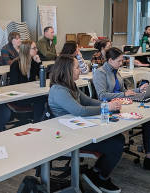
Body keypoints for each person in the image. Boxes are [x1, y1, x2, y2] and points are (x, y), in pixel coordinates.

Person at [48, 56, 124, 193]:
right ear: (67, 70)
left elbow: (88, 101)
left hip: (78, 129)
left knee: (118, 138)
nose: (80, 70)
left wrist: (107, 104)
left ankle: (95, 172)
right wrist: (106, 108)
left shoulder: (70, 85)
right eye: (77, 67)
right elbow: (80, 110)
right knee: (115, 144)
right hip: (69, 136)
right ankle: (100, 177)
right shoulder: (58, 90)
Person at [8, 40, 46, 122]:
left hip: (31, 94)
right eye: (34, 48)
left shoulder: (33, 62)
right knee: (40, 100)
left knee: (46, 97)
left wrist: (39, 63)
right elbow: (14, 86)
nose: (37, 50)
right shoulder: (16, 64)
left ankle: (40, 120)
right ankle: (37, 122)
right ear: (26, 50)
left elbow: (43, 78)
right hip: (20, 96)